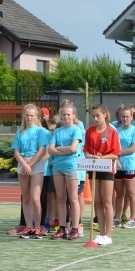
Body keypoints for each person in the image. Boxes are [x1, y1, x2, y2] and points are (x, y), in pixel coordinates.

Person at [84, 104, 122, 246]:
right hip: (94, 168)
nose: (95, 118)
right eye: (93, 116)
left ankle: (108, 234)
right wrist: (88, 154)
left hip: (107, 168)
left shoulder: (112, 132)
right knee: (97, 201)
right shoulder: (90, 131)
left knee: (107, 201)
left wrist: (102, 158)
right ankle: (100, 233)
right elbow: (86, 149)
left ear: (105, 114)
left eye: (98, 115)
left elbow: (116, 154)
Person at [12, 104, 50, 239]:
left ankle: (38, 227)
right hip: (23, 163)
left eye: (32, 115)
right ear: (24, 116)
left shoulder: (41, 131)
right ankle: (28, 226)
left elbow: (41, 150)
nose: (29, 118)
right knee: (26, 198)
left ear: (36, 116)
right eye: (27, 115)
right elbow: (16, 151)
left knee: (35, 198)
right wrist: (24, 165)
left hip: (35, 164)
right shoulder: (20, 132)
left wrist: (30, 165)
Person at [48, 100, 84, 241]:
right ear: (61, 116)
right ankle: (63, 227)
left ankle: (75, 227)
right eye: (64, 115)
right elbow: (50, 149)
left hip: (71, 166)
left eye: (69, 114)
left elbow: (73, 148)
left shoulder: (77, 130)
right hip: (58, 167)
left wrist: (58, 150)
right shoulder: (57, 131)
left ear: (73, 115)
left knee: (73, 198)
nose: (66, 117)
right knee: (60, 198)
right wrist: (63, 150)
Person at [114, 106, 135, 229]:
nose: (125, 119)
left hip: (130, 165)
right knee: (119, 193)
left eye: (127, 116)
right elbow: (112, 148)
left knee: (131, 193)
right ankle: (117, 217)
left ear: (131, 117)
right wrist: (115, 158)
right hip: (118, 165)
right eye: (123, 116)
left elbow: (132, 149)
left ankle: (132, 219)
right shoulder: (116, 130)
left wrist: (117, 154)